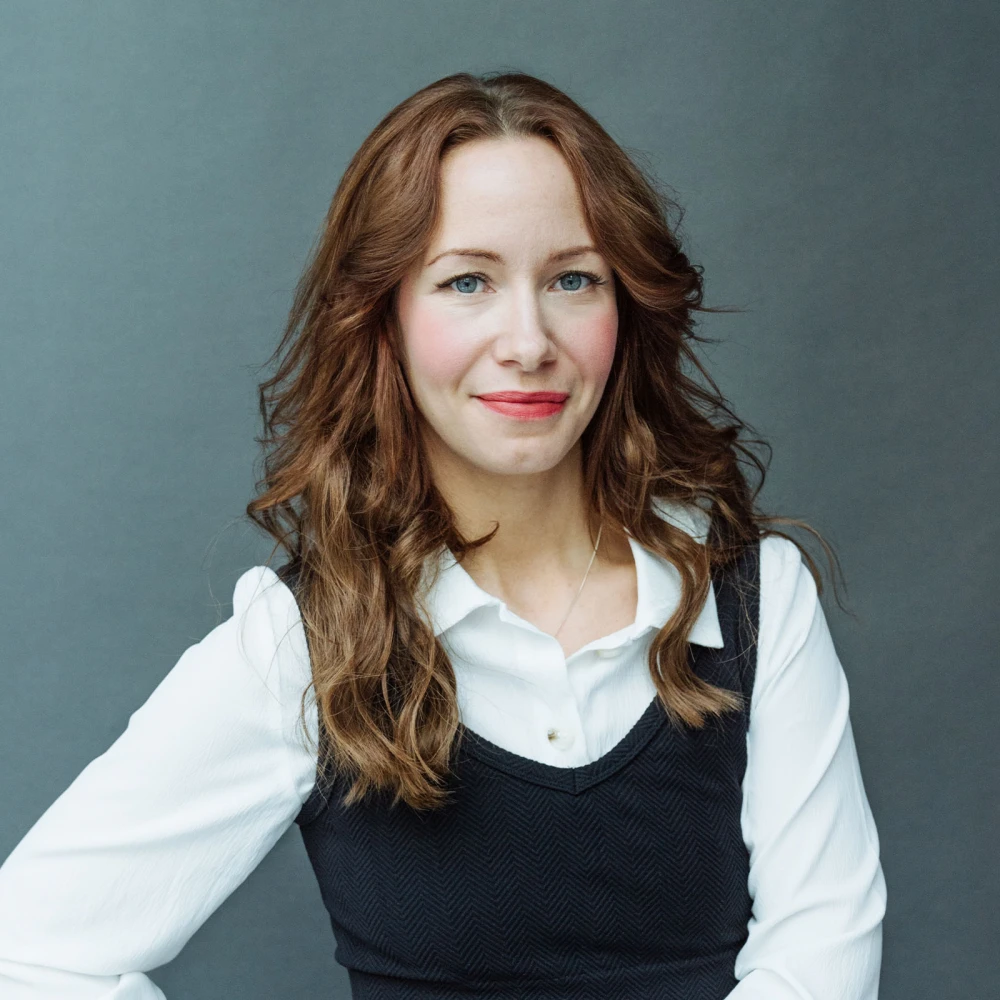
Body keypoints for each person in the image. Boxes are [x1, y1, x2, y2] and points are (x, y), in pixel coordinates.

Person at [0, 71, 886, 999]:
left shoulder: (753, 596)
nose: (528, 338)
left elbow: (823, 951)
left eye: (573, 279)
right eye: (468, 281)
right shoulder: (307, 641)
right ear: (383, 317)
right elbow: (31, 952)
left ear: (625, 309)